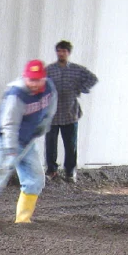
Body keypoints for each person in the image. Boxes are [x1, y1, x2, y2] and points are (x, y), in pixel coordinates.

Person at [0, 60, 57, 224]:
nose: (34, 84)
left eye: (38, 80)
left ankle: (23, 220)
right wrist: (11, 152)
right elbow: (9, 125)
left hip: (27, 140)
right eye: (31, 80)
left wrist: (44, 124)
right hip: (4, 141)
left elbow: (51, 107)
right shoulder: (17, 95)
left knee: (35, 178)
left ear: (44, 78)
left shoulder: (49, 87)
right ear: (25, 77)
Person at [45, 40, 98, 183]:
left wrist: (80, 88)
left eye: (64, 51)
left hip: (70, 113)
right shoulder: (49, 70)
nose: (61, 53)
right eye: (59, 51)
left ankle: (70, 171)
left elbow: (92, 79)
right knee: (50, 145)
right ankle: (51, 170)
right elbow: (41, 85)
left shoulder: (76, 70)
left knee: (70, 145)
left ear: (68, 53)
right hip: (52, 114)